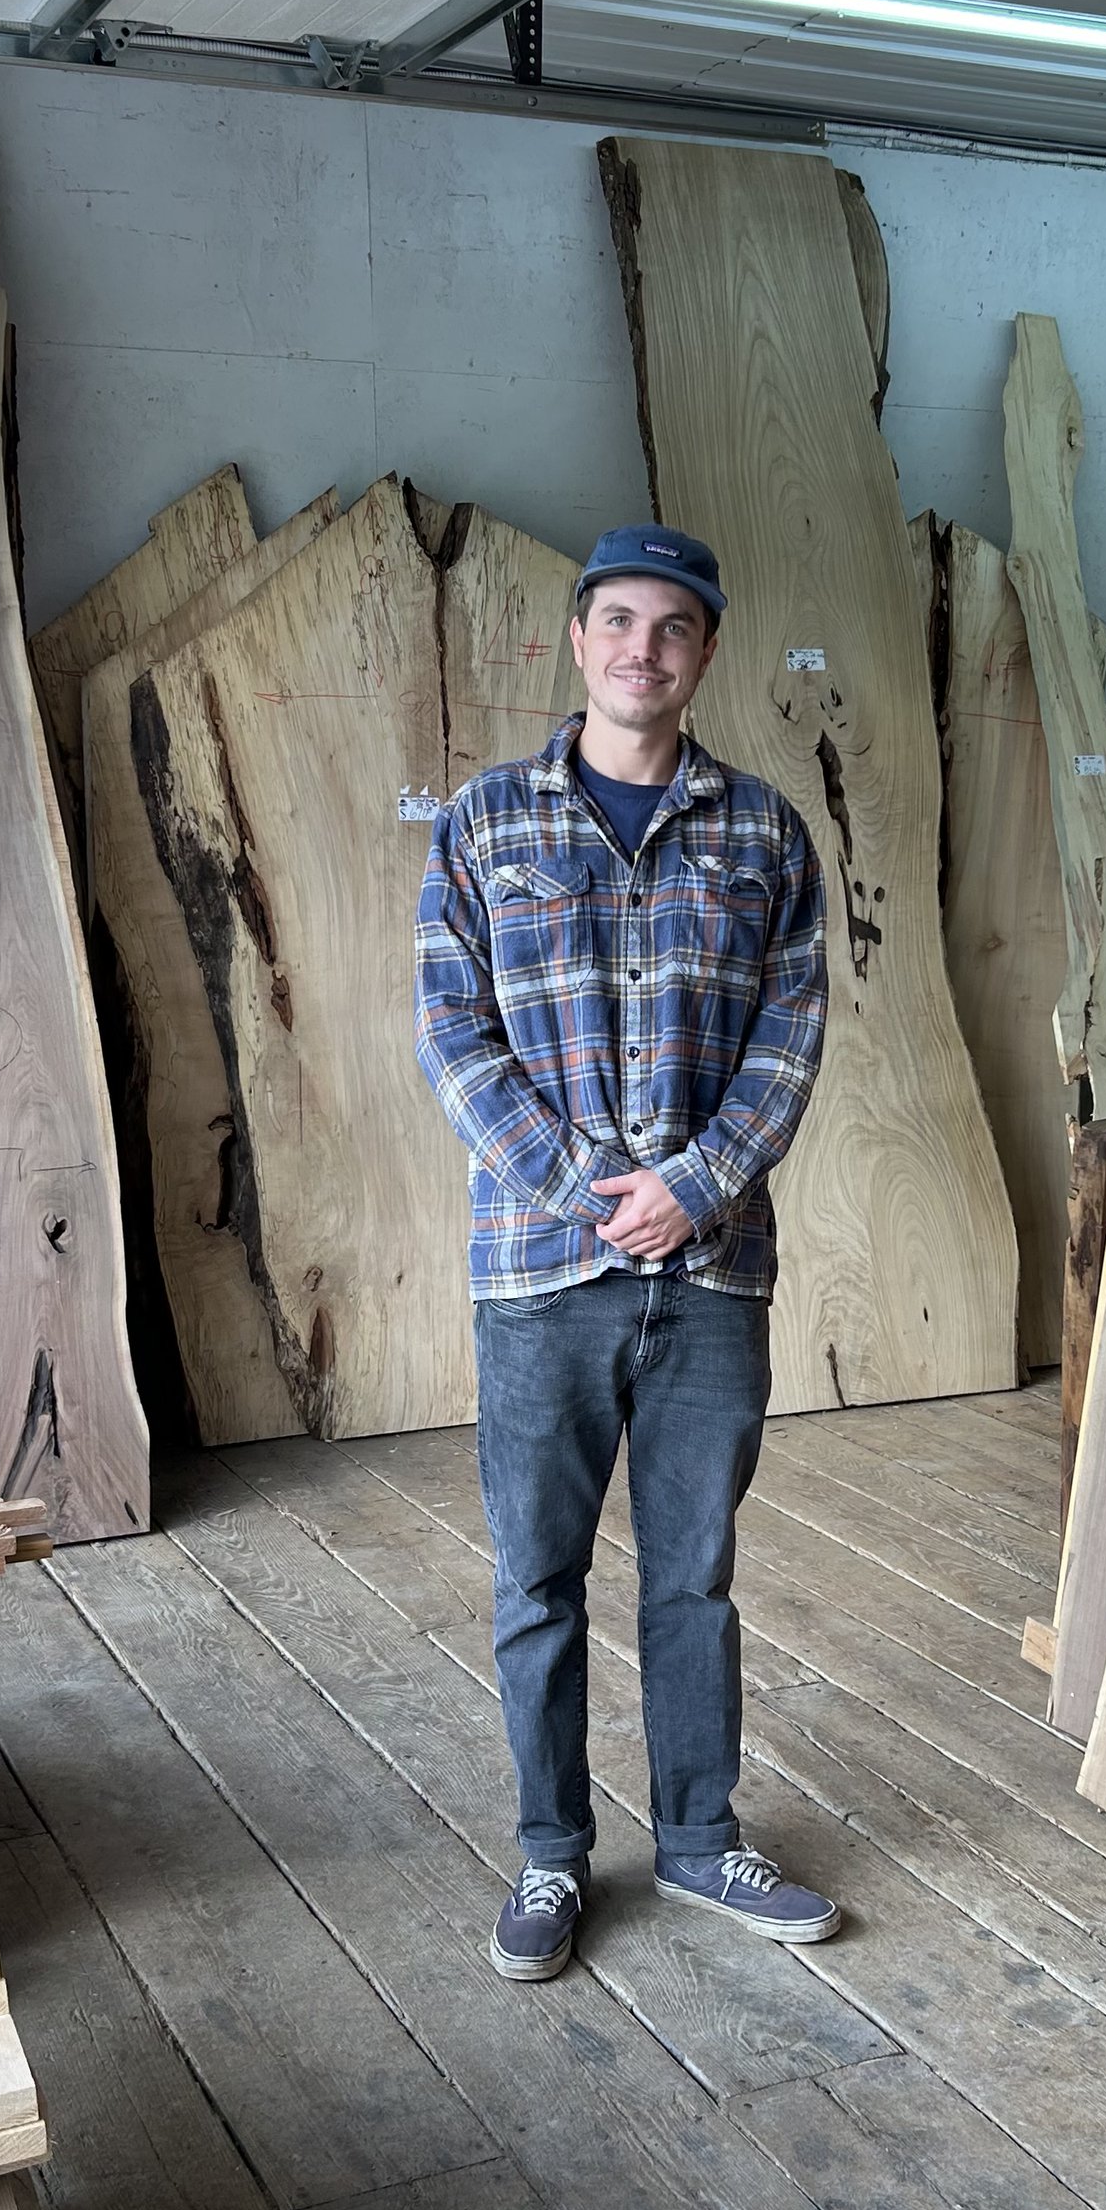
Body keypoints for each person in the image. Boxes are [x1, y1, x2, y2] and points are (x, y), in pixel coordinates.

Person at [414, 521, 843, 1981]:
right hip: (541, 1275)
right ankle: (549, 1855)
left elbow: (790, 1041)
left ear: (705, 649)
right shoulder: (484, 825)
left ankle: (700, 1838)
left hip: (711, 1276)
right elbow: (452, 1031)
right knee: (537, 1577)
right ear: (579, 638)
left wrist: (695, 1184)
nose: (641, 649)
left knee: (692, 1574)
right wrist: (581, 1186)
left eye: (672, 626)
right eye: (618, 622)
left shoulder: (767, 835)